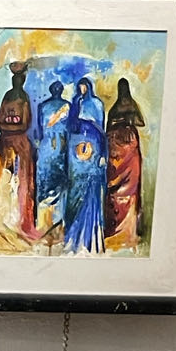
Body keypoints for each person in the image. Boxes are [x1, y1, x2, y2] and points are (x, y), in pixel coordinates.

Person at [0, 63, 36, 250]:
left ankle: (15, 224)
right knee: (2, 185)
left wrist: (10, 126)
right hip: (5, 145)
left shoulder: (23, 99)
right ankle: (0, 225)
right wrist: (11, 126)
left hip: (19, 146)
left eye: (19, 80)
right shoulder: (8, 97)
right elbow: (0, 122)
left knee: (18, 184)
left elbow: (24, 124)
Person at [63, 78, 107, 255]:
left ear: (89, 87)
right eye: (79, 86)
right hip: (76, 150)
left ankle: (90, 235)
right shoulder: (75, 102)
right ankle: (71, 234)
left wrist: (102, 153)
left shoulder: (96, 103)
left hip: (93, 147)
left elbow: (101, 129)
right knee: (75, 187)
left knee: (92, 185)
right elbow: (70, 126)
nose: (82, 89)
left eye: (84, 86)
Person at [104, 77, 146, 252]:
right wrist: (128, 121)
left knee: (126, 188)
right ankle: (122, 231)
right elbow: (140, 122)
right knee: (122, 188)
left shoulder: (116, 109)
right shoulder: (130, 106)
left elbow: (109, 128)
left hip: (121, 147)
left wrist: (122, 121)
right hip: (125, 146)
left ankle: (124, 231)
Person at [35, 79, 70, 242]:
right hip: (58, 147)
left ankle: (48, 223)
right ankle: (53, 223)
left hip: (49, 147)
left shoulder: (43, 106)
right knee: (56, 181)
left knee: (48, 181)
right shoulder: (67, 106)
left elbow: (39, 131)